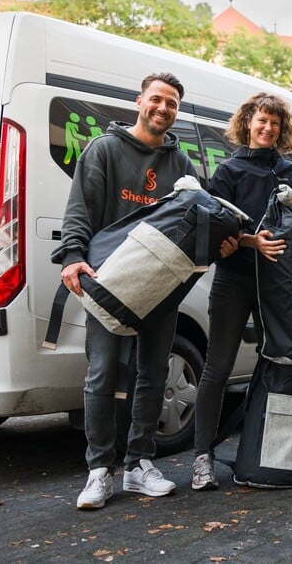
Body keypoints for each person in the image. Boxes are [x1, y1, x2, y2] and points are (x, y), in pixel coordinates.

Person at [53, 72, 195, 510]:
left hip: (160, 283)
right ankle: (99, 471)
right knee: (102, 374)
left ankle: (139, 465)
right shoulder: (105, 150)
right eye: (156, 99)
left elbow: (196, 216)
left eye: (171, 103)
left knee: (153, 373)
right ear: (139, 101)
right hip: (108, 279)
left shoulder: (181, 164)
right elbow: (80, 209)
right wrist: (72, 256)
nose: (162, 108)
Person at [191, 92, 292, 490]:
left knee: (276, 362)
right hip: (234, 280)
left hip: (275, 282)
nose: (268, 128)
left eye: (275, 122)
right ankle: (202, 456)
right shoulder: (229, 171)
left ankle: (264, 450)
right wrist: (250, 241)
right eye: (261, 121)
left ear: (281, 128)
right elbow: (216, 231)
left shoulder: (290, 172)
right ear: (247, 124)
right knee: (217, 368)